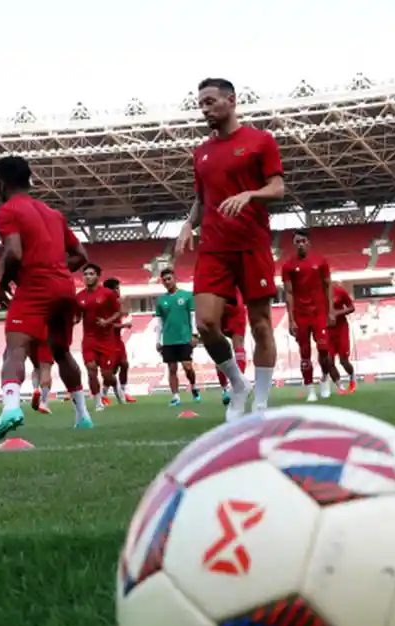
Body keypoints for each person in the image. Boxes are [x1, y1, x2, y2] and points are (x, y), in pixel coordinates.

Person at [174, 77, 285, 423]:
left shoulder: (260, 141)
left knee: (261, 325)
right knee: (206, 323)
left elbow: (278, 187)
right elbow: (201, 199)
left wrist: (250, 194)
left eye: (210, 102)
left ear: (231, 100)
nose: (204, 109)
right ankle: (238, 384)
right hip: (214, 248)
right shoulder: (201, 153)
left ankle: (262, 404)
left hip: (252, 244)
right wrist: (188, 223)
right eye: (200, 104)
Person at [0, 155, 93, 441]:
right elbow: (82, 255)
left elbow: (15, 252)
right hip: (64, 287)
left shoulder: (7, 211)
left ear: (1, 182)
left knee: (14, 348)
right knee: (61, 350)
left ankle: (10, 408)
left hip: (35, 288)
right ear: (29, 179)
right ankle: (83, 415)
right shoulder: (53, 213)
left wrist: (3, 282)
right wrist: (56, 271)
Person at [281, 230, 337, 402]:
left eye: (303, 241)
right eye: (297, 241)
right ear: (293, 244)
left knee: (324, 349)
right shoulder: (288, 266)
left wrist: (331, 310)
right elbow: (288, 293)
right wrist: (291, 319)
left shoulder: (321, 262)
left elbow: (328, 286)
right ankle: (310, 389)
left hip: (319, 312)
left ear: (309, 243)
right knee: (304, 353)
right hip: (300, 314)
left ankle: (325, 379)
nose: (300, 244)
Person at [76, 264, 123, 411]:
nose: (88, 277)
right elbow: (77, 316)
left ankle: (116, 388)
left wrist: (107, 322)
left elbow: (119, 312)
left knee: (107, 375)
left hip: (106, 340)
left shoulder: (108, 294)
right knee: (91, 370)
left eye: (91, 274)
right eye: (86, 274)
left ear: (97, 276)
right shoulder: (80, 296)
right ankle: (98, 402)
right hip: (89, 339)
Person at [155, 267, 200, 406]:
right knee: (172, 369)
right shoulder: (161, 301)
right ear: (162, 282)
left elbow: (193, 316)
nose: (167, 282)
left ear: (175, 279)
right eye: (165, 280)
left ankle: (193, 386)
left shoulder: (187, 296)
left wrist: (194, 334)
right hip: (168, 340)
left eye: (169, 279)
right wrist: (158, 340)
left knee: (187, 367)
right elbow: (159, 322)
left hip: (184, 338)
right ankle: (175, 396)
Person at [102, 277, 136, 404]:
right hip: (108, 341)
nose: (118, 290)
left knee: (124, 364)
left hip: (117, 340)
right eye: (116, 288)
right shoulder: (105, 305)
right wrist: (124, 325)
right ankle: (105, 394)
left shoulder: (116, 303)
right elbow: (107, 325)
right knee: (111, 371)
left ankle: (123, 391)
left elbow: (124, 312)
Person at [326, 282, 357, 393]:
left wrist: (337, 313)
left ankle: (352, 378)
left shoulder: (339, 291)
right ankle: (340, 387)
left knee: (343, 360)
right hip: (326, 331)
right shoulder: (315, 294)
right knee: (328, 360)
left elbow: (352, 307)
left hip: (341, 329)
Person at [217, 297, 248, 406]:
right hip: (219, 305)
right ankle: (227, 388)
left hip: (229, 301)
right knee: (219, 349)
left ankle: (236, 387)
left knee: (237, 345)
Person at [30, 334, 54, 414]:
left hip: (31, 335)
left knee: (36, 367)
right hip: (45, 334)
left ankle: (36, 389)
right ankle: (44, 402)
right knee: (46, 368)